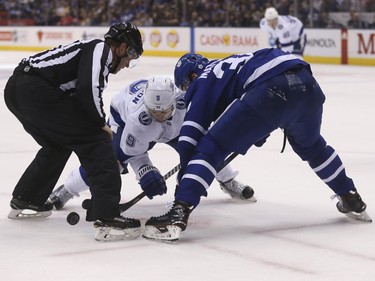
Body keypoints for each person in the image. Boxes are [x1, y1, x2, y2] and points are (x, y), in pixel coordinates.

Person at [142, 51, 372, 242]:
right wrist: (260, 124)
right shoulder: (231, 62)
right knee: (313, 147)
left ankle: (179, 211)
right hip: (307, 83)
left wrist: (185, 175)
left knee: (210, 147)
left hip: (271, 87)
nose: (187, 91)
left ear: (192, 74)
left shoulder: (203, 79)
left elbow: (190, 136)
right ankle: (350, 196)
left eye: (185, 85)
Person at [4, 21, 144, 242]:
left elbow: (79, 97)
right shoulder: (101, 49)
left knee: (56, 144)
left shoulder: (93, 50)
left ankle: (27, 198)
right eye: (131, 56)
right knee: (97, 142)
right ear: (122, 47)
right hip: (35, 91)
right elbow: (88, 90)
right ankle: (107, 217)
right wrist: (101, 125)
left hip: (17, 91)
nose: (127, 64)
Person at [48, 76, 256, 211]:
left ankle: (228, 181)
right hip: (120, 119)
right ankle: (66, 189)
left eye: (163, 111)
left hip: (174, 128)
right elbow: (135, 153)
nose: (157, 115)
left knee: (206, 148)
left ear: (174, 103)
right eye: (153, 111)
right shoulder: (138, 120)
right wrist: (146, 171)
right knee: (110, 162)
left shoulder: (185, 103)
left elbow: (207, 127)